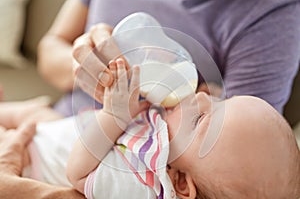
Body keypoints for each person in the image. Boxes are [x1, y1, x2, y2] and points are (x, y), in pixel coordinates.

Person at [1, 59, 300, 198]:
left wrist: (114, 115)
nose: (199, 97)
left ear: (181, 183)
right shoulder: (174, 151)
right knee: (35, 113)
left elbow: (76, 171)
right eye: (221, 101)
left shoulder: (140, 184)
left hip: (31, 160)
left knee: (29, 119)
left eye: (200, 119)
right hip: (57, 129)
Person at [37, 0, 300, 117]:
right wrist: (84, 67)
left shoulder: (271, 15)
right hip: (59, 125)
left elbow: (234, 168)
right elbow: (50, 47)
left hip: (135, 172)